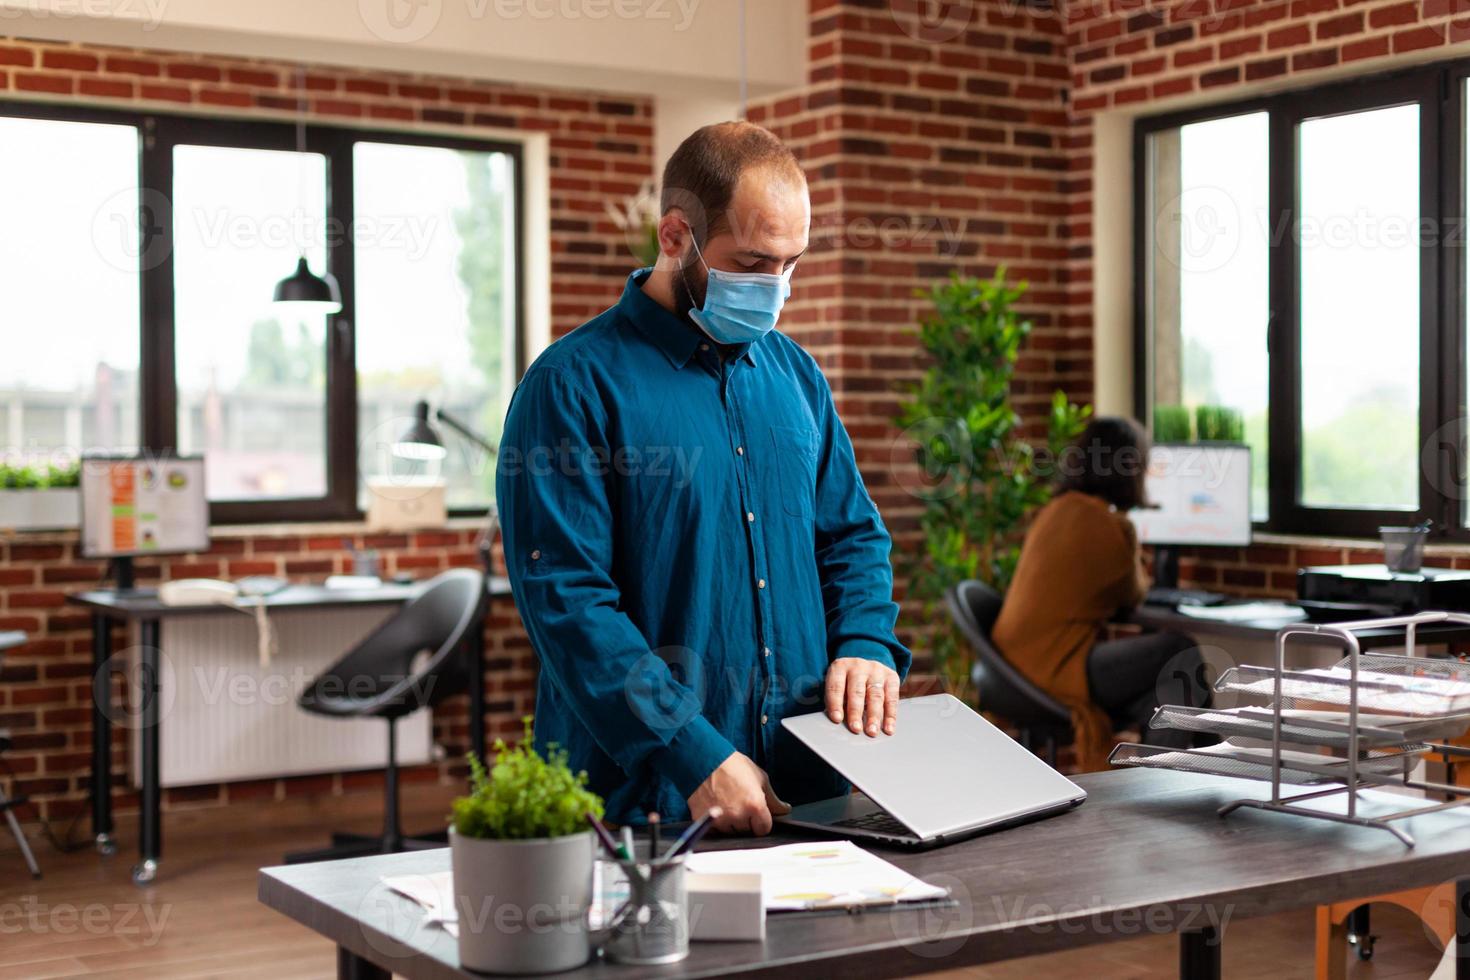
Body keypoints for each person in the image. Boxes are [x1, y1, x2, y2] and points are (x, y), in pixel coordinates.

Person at [495, 121, 911, 835]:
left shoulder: (797, 377)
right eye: (752, 264)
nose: (775, 289)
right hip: (645, 804)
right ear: (675, 237)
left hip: (811, 791)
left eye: (790, 264)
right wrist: (691, 751)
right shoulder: (570, 387)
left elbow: (851, 538)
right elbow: (569, 604)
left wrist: (867, 643)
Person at [991, 417, 1207, 770]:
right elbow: (1132, 595)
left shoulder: (1057, 509)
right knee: (1179, 649)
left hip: (1009, 666)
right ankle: (1198, 778)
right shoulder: (1108, 526)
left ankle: (1166, 785)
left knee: (1168, 692)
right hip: (1054, 666)